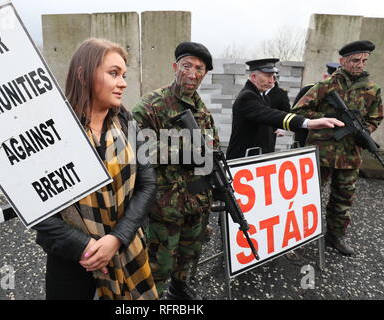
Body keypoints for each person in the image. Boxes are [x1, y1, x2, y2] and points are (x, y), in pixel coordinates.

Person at [32, 38, 158, 300]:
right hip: (73, 263)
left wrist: (116, 238)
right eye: (114, 73)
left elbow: (147, 184)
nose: (123, 83)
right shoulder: (50, 131)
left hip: (126, 250)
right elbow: (39, 212)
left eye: (123, 74)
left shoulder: (126, 121)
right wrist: (86, 246)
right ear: (83, 75)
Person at [132, 41, 220, 300]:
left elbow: (212, 149)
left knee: (189, 257)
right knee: (158, 266)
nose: (192, 74)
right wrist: (182, 152)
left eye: (199, 69)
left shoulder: (203, 111)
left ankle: (179, 291)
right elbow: (133, 146)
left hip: (197, 203)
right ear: (175, 67)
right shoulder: (151, 105)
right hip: (165, 205)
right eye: (187, 66)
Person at [292, 40, 383, 256]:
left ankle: (335, 237)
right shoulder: (325, 86)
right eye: (354, 60)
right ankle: (298, 237)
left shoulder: (373, 89)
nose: (360, 64)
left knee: (343, 199)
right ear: (342, 61)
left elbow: (376, 117)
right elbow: (298, 111)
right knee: (309, 197)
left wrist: (364, 130)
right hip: (321, 153)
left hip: (351, 155)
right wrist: (326, 118)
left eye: (363, 60)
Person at [226, 58, 345, 160]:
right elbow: (270, 115)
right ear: (253, 76)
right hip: (243, 159)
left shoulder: (261, 96)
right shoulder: (247, 96)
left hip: (256, 156)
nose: (272, 80)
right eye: (268, 76)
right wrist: (308, 123)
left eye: (273, 76)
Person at [293, 62, 341, 147]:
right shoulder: (309, 89)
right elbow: (295, 112)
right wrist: (324, 116)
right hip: (306, 138)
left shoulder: (342, 95)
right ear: (325, 77)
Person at [266, 76, 291, 149]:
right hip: (256, 127)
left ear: (274, 80)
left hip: (272, 128)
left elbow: (286, 111)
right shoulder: (258, 91)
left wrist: (282, 128)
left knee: (267, 149)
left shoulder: (281, 93)